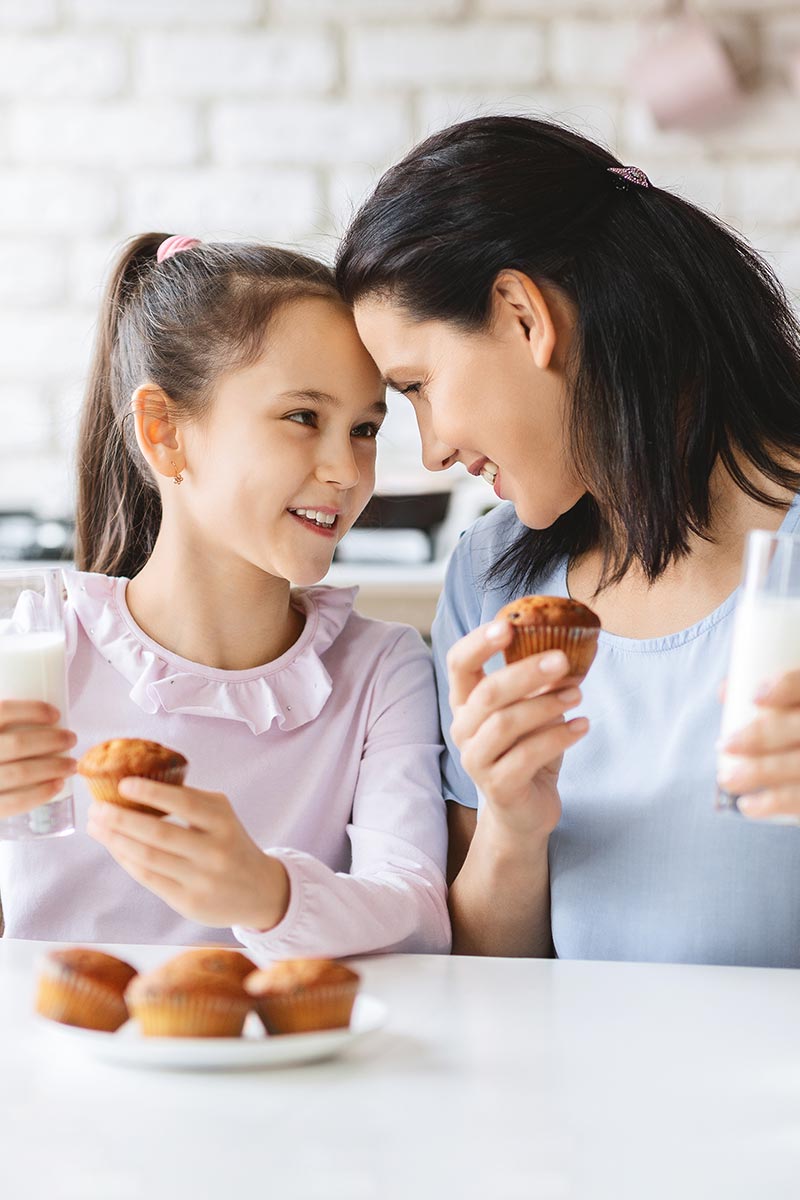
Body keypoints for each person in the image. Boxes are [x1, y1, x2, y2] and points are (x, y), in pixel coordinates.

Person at [335, 115, 800, 968]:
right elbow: (488, 988)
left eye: (419, 387)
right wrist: (513, 827)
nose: (432, 448)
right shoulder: (491, 582)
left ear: (522, 315)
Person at [0, 233, 450, 958]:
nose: (345, 469)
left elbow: (421, 919)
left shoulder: (381, 669)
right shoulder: (40, 645)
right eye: (303, 417)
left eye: (365, 428)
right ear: (165, 433)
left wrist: (268, 895)